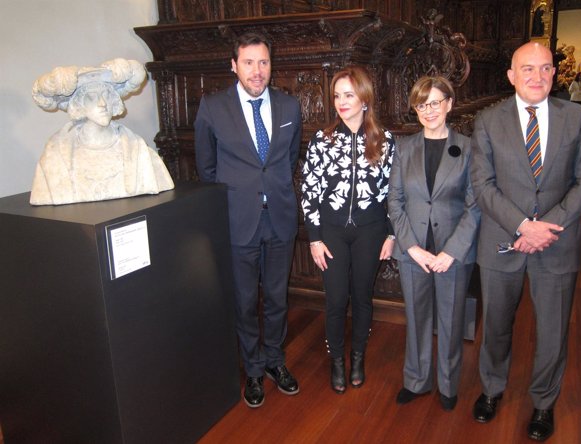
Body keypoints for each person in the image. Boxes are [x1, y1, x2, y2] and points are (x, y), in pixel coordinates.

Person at [470, 42, 581, 441]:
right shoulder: (488, 121)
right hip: (501, 240)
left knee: (552, 330)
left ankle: (544, 402)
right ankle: (491, 389)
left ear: (554, 74)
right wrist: (523, 225)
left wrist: (547, 227)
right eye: (527, 69)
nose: (537, 77)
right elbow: (482, 185)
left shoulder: (577, 117)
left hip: (557, 243)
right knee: (495, 325)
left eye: (545, 69)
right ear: (511, 75)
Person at [194, 32, 303, 408]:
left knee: (276, 298)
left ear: (271, 65)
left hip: (280, 219)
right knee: (243, 301)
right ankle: (254, 369)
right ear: (234, 65)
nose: (257, 71)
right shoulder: (212, 107)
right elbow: (206, 167)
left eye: (264, 62)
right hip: (238, 220)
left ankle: (275, 361)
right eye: (249, 62)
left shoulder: (290, 107)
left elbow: (288, 160)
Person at [301, 66, 395, 394]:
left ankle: (357, 357)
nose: (341, 101)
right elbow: (310, 190)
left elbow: (393, 193)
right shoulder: (322, 139)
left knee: (363, 297)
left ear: (365, 98)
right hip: (332, 232)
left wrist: (391, 234)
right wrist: (314, 238)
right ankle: (337, 361)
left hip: (371, 231)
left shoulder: (384, 140)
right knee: (337, 299)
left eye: (348, 95)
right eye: (337, 95)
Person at [387, 76, 480, 411]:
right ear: (415, 108)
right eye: (422, 104)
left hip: (452, 253)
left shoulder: (469, 148)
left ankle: (448, 384)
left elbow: (475, 205)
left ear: (449, 104)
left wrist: (452, 252)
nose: (429, 110)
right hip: (414, 251)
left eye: (435, 102)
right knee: (416, 318)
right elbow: (394, 202)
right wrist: (410, 246)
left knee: (451, 321)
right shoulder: (404, 147)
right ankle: (416, 380)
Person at [30, 59, 174, 205]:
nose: (102, 104)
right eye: (92, 97)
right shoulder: (55, 156)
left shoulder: (139, 151)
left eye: (106, 95)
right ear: (78, 106)